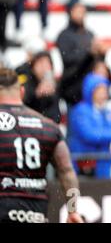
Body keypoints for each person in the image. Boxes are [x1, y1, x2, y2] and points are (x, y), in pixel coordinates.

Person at [0, 68, 83, 223]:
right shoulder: (48, 126)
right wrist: (72, 210)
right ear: (22, 91)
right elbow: (66, 171)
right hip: (35, 211)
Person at [56, 3, 108, 107]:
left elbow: (95, 60)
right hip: (72, 87)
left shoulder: (89, 34)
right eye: (78, 11)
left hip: (89, 88)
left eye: (83, 12)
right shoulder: (64, 35)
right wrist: (89, 53)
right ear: (71, 12)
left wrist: (102, 53)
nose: (81, 15)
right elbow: (68, 59)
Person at [23, 51, 61, 123]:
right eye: (40, 63)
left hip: (50, 123)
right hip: (32, 122)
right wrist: (36, 94)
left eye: (46, 64)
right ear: (33, 68)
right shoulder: (28, 82)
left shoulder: (56, 83)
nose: (43, 67)